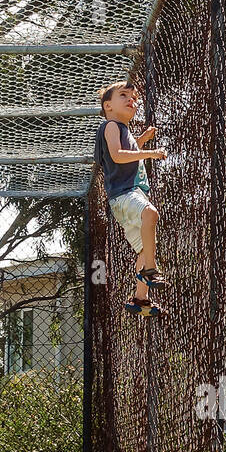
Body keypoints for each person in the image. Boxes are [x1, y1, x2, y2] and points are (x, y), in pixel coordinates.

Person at [95, 80, 169, 316]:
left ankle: (139, 299)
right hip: (124, 194)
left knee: (144, 249)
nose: (131, 100)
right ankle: (150, 269)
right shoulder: (110, 126)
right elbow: (118, 155)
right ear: (108, 106)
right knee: (151, 213)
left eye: (134, 97)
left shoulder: (122, 130)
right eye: (124, 95)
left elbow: (127, 149)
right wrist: (150, 152)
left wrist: (142, 140)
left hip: (127, 197)